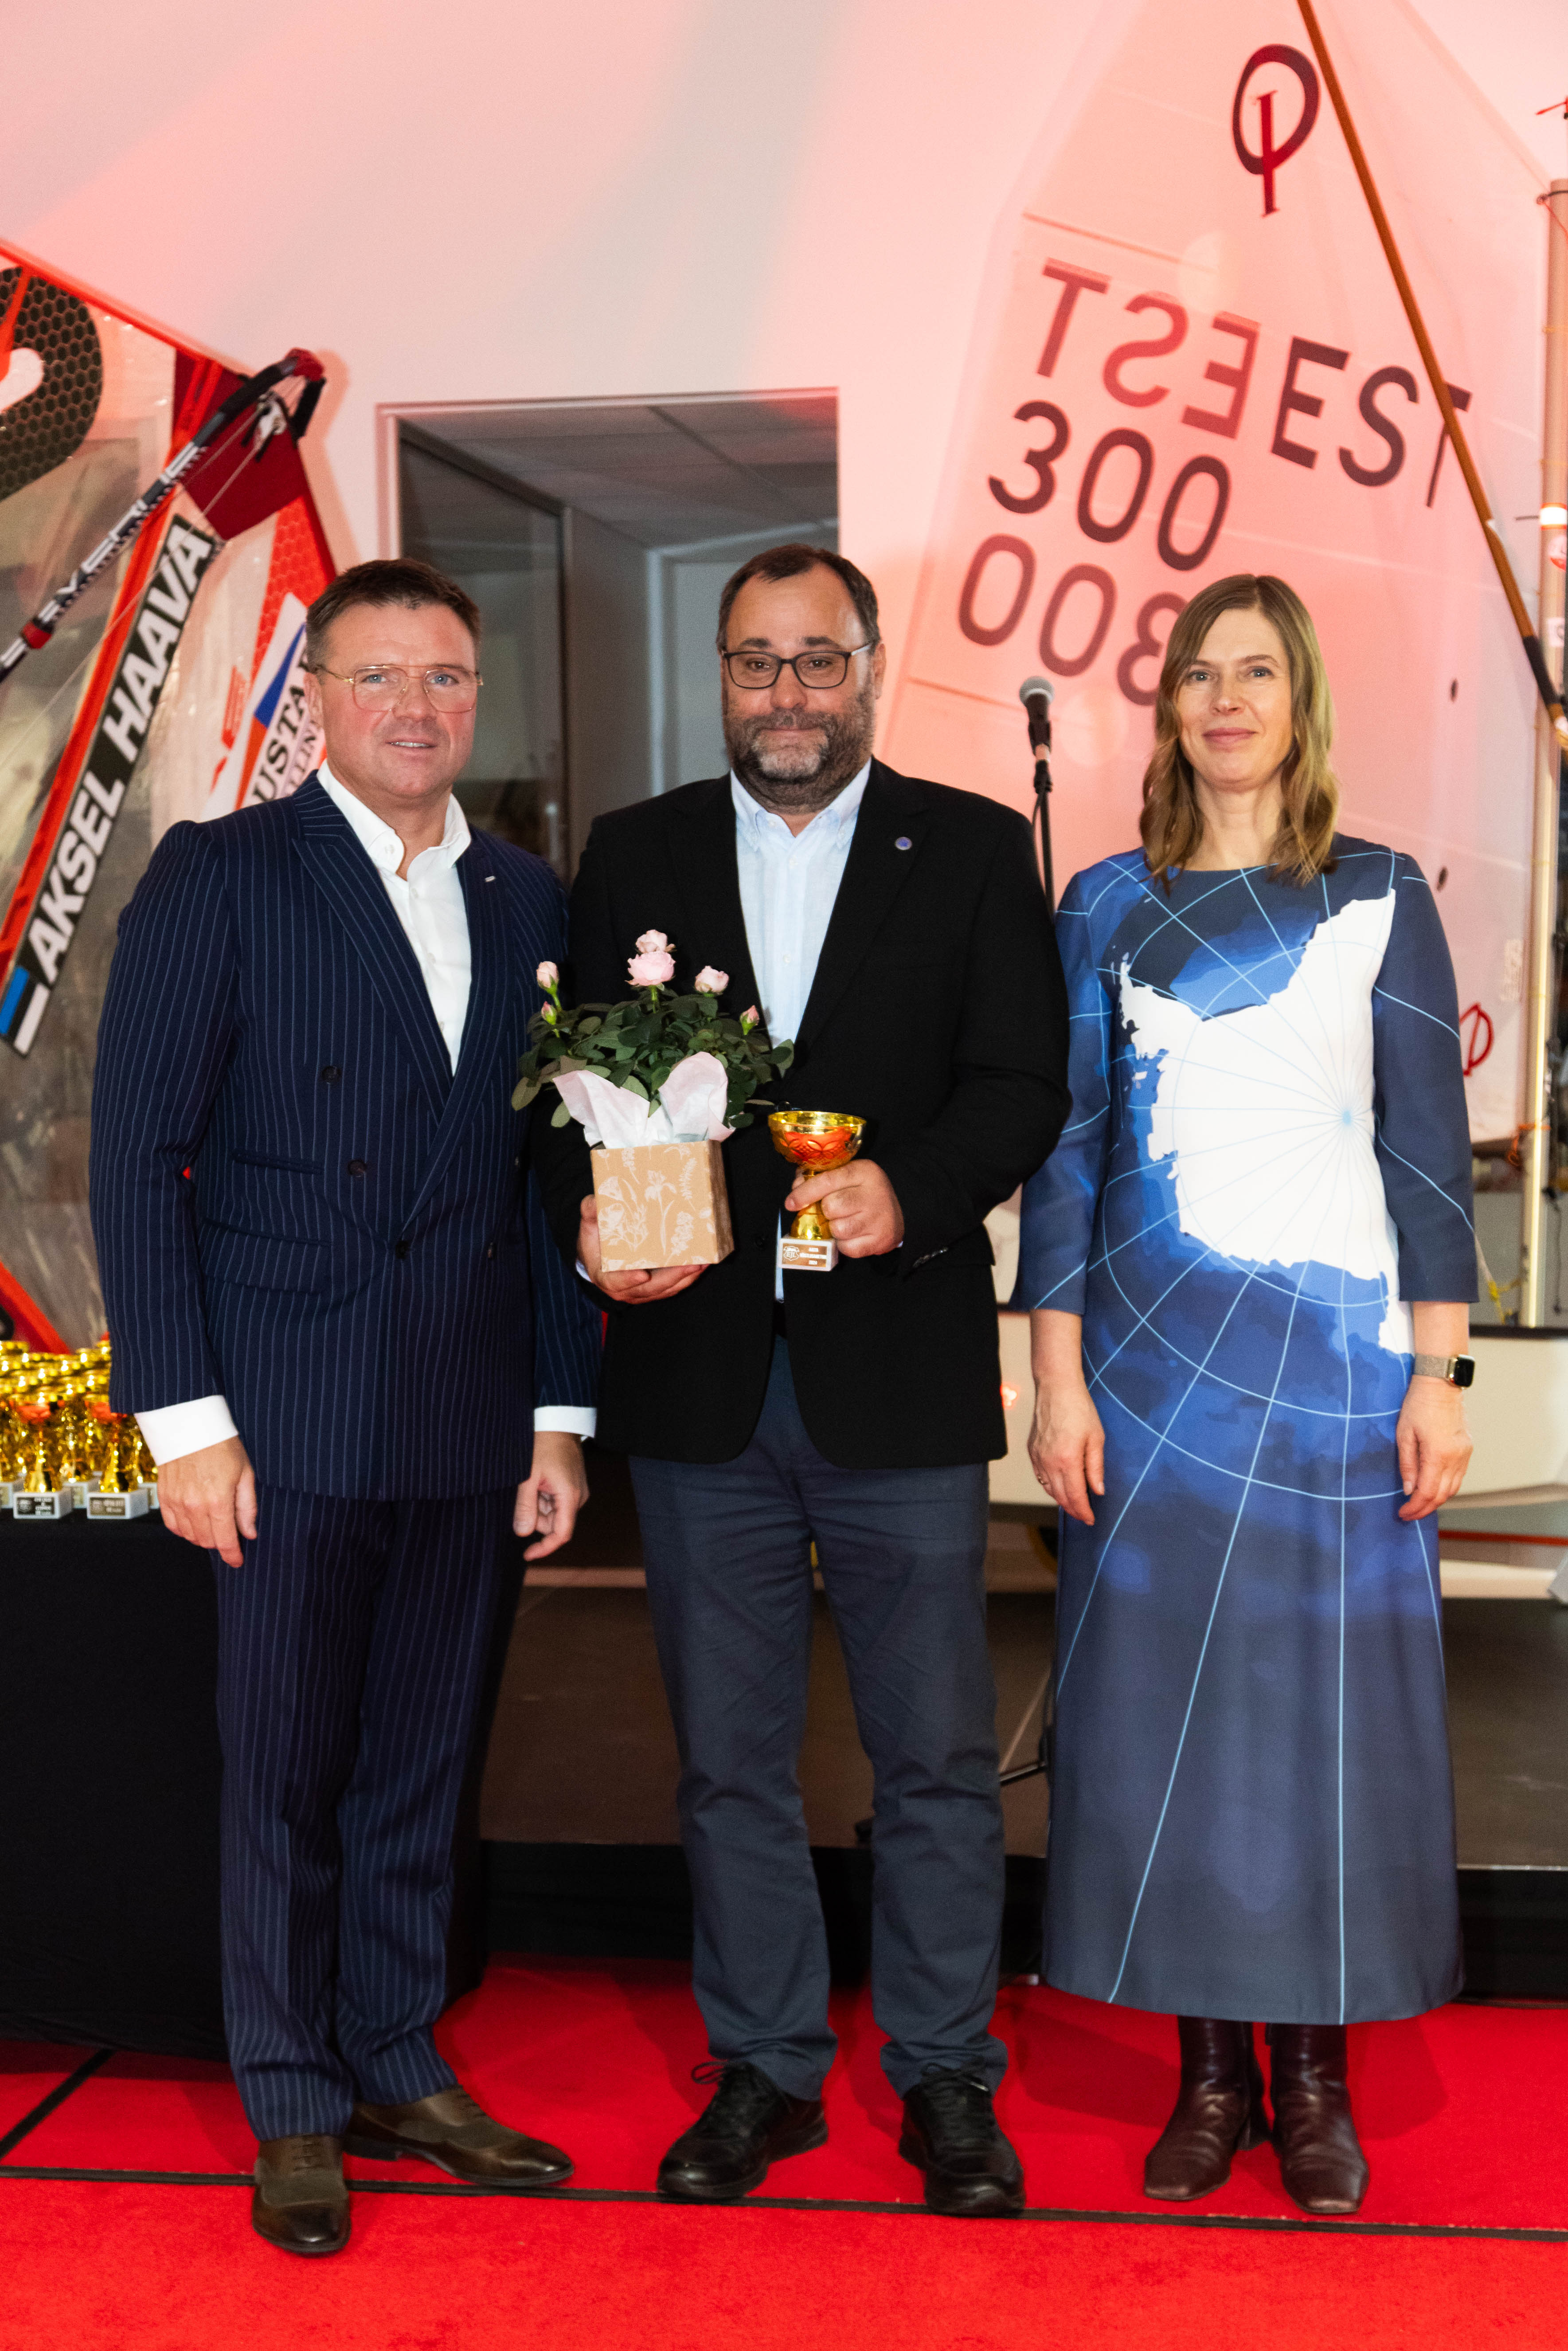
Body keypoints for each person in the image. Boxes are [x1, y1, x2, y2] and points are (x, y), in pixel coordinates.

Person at [533, 543, 1069, 2217]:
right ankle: (764, 2068)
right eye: (756, 660)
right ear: (721, 676)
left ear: (870, 669)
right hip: (699, 1382)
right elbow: (566, 1094)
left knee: (934, 1762)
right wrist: (591, 1226)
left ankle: (945, 2076)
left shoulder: (971, 849)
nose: (787, 693)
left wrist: (913, 1188)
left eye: (817, 661)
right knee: (727, 1763)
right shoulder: (635, 852)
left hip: (895, 1372)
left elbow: (1022, 1083)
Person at [89, 557, 603, 2258]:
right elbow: (136, 1162)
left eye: (444, 677)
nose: (413, 707)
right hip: (284, 1414)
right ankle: (292, 2095)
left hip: (468, 1409)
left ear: (478, 698)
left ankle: (394, 2056)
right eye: (377, 676)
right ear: (313, 697)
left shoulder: (528, 896)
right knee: (286, 1775)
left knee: (418, 1766)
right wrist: (184, 1422)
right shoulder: (223, 872)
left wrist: (557, 1412)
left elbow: (547, 1178)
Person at [1015, 573, 1474, 2217]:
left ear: (1301, 703)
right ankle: (1210, 2077)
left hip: (1336, 1374)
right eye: (1200, 674)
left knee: (1320, 1725)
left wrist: (1440, 1376)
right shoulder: (1101, 903)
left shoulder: (1378, 890)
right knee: (1167, 1725)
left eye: (1257, 673)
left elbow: (1426, 1153)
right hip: (1145, 1378)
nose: (1225, 701)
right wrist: (1052, 1380)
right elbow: (1065, 1155)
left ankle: (1317, 2078)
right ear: (1168, 706)